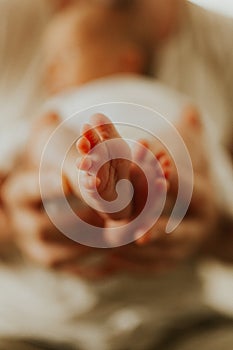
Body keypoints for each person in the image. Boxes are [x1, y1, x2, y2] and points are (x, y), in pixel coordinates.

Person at [1, 0, 232, 349]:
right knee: (181, 141)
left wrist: (212, 229)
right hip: (156, 311)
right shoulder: (173, 103)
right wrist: (12, 222)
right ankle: (133, 182)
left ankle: (92, 182)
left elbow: (12, 152)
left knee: (49, 138)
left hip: (79, 318)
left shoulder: (60, 105)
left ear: (127, 59)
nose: (52, 72)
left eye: (65, 57)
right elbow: (219, 175)